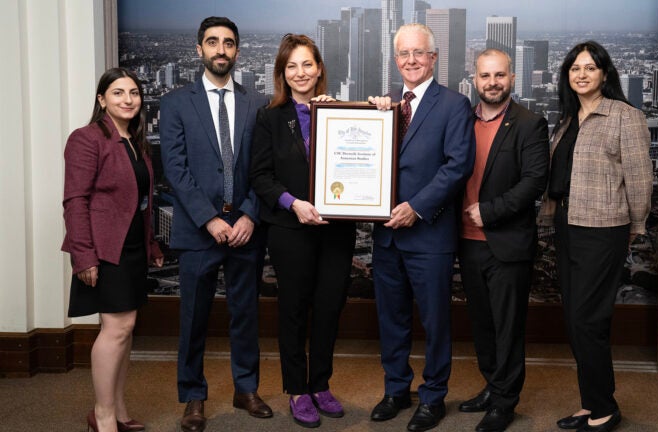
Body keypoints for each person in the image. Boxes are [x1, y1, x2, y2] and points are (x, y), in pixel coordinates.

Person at [159, 16, 270, 432]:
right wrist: (209, 219)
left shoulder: (256, 104)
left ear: (237, 50)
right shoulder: (174, 103)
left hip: (244, 228)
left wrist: (248, 213)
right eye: (212, 42)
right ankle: (193, 397)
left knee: (246, 314)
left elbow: (264, 168)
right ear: (198, 49)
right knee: (193, 319)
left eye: (228, 43)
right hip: (197, 230)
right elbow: (175, 168)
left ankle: (246, 389)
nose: (220, 50)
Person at [538, 40, 653, 432]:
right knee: (575, 318)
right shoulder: (568, 119)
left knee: (589, 319)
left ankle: (605, 407)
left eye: (590, 68)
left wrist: (635, 227)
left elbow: (640, 179)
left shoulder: (625, 116)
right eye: (575, 69)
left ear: (605, 73)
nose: (581, 75)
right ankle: (591, 403)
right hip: (567, 225)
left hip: (605, 230)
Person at [367, 23, 475, 432]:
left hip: (429, 233)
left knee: (434, 322)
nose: (411, 60)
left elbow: (457, 166)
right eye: (403, 54)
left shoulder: (453, 105)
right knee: (391, 319)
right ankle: (396, 390)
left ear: (433, 58)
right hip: (387, 234)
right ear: (396, 60)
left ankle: (432, 397)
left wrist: (416, 207)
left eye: (419, 53)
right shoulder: (384, 103)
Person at [249, 33, 356, 429]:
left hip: (336, 229)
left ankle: (321, 384)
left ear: (320, 69)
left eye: (307, 64)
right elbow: (260, 176)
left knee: (329, 309)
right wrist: (293, 203)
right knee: (294, 310)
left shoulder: (341, 111)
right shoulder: (270, 117)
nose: (300, 73)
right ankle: (297, 389)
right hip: (290, 228)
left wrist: (345, 115)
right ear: (282, 73)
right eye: (291, 66)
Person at [62, 67, 164, 432]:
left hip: (134, 245)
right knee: (116, 329)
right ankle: (102, 416)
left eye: (134, 93)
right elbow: (75, 201)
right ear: (102, 99)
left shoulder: (135, 141)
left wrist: (151, 244)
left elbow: (140, 201)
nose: (128, 99)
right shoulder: (87, 139)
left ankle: (118, 410)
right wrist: (83, 255)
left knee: (127, 326)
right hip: (106, 248)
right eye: (118, 93)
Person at [457, 49, 549, 432]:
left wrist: (489, 211)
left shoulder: (529, 123)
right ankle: (492, 387)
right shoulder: (462, 119)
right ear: (473, 80)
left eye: (499, 75)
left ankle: (505, 402)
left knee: (508, 326)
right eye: (484, 76)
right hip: (466, 241)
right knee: (482, 324)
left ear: (512, 78)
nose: (492, 82)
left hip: (506, 242)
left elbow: (533, 183)